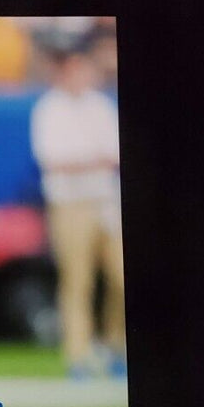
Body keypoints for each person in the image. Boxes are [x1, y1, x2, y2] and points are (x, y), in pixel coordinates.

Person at [30, 48, 124, 378]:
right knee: (77, 279)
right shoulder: (49, 109)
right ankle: (78, 355)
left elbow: (114, 154)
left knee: (121, 276)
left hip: (106, 201)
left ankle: (118, 346)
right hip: (70, 204)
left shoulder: (101, 106)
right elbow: (53, 160)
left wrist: (86, 160)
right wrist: (92, 160)